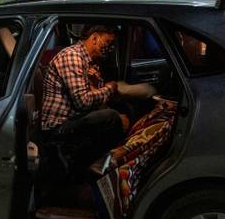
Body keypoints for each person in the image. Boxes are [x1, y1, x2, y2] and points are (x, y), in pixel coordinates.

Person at [41, 25, 151, 172]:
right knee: (110, 117)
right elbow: (83, 102)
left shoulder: (90, 63)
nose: (110, 49)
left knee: (126, 109)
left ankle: (107, 164)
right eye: (108, 43)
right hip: (59, 128)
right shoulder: (72, 56)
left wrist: (99, 87)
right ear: (94, 38)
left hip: (74, 118)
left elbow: (96, 98)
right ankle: (88, 168)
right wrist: (109, 89)